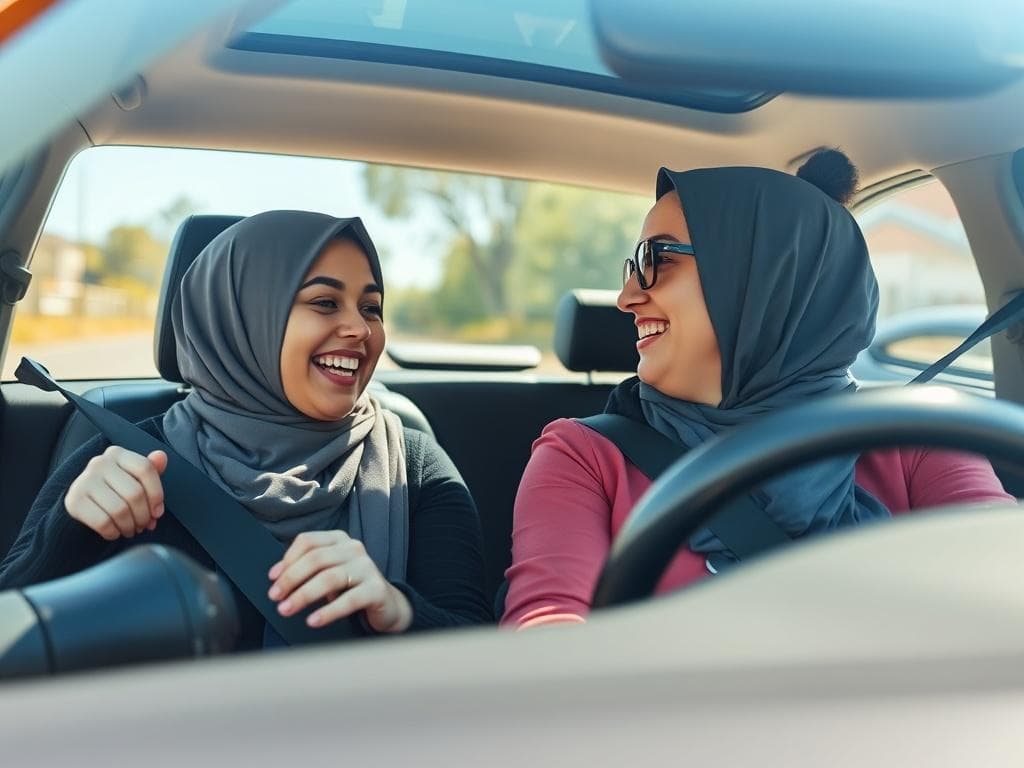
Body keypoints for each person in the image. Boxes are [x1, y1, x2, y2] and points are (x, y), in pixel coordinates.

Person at [502, 149, 1013, 630]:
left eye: (655, 258)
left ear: (764, 279)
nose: (627, 296)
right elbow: (547, 636)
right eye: (633, 264)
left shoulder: (918, 439)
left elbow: (1003, 592)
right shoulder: (583, 458)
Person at [0, 210, 492, 645]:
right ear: (242, 318)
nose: (361, 329)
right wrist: (69, 529)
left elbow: (483, 660)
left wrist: (397, 609)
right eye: (325, 302)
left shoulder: (415, 466)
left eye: (371, 307)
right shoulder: (124, 461)